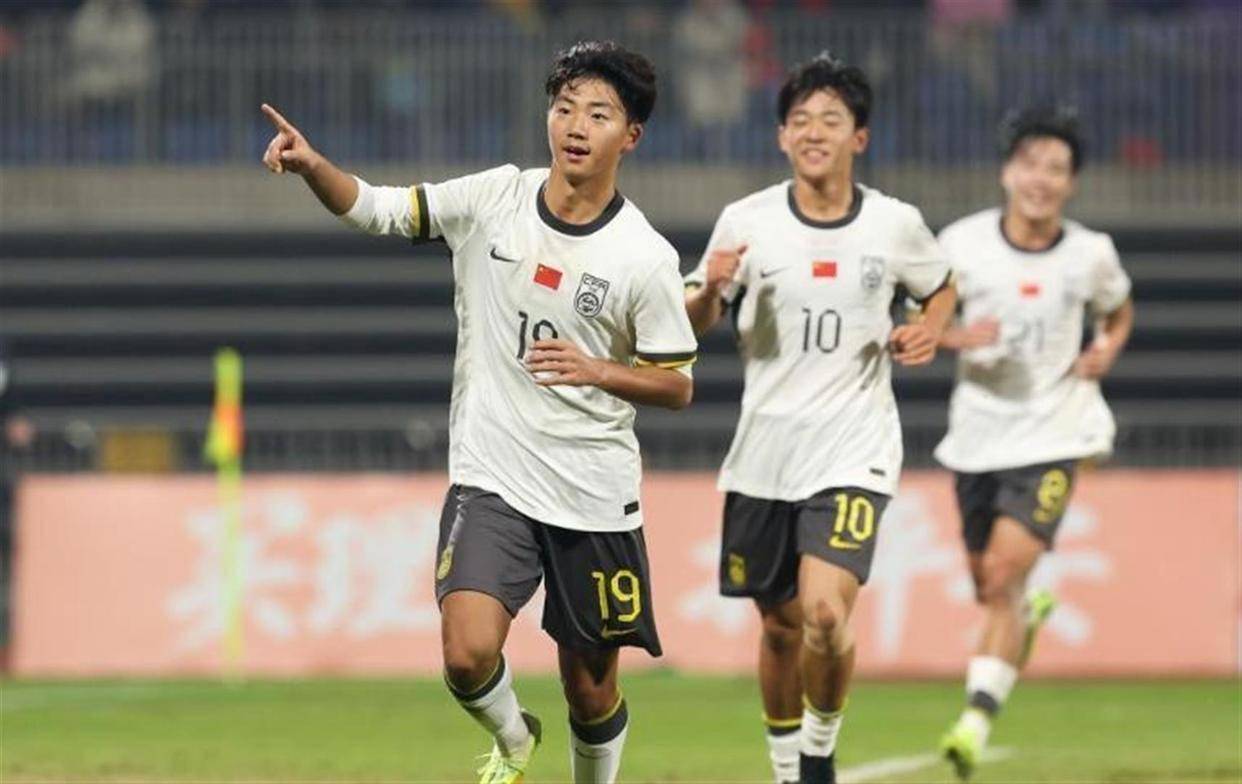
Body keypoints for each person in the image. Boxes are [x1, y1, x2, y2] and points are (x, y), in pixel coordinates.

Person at [260, 40, 697, 784]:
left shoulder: (643, 256)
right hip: (493, 476)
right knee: (466, 653)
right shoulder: (496, 197)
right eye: (564, 108)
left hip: (593, 494)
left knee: (590, 689)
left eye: (598, 114)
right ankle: (514, 737)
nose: (575, 126)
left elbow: (677, 384)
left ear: (631, 136)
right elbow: (381, 209)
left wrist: (596, 369)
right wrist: (313, 167)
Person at [683, 53, 957, 784]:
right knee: (780, 628)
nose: (813, 132)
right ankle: (787, 771)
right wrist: (709, 290)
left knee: (825, 615)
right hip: (764, 455)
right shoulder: (746, 221)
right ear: (781, 136)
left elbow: (940, 288)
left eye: (831, 120)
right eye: (800, 120)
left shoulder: (895, 225)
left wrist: (930, 329)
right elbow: (695, 320)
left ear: (858, 137)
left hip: (854, 449)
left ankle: (818, 757)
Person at [934, 106, 1134, 781]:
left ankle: (972, 725)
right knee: (989, 587)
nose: (1041, 180)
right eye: (1031, 164)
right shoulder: (961, 245)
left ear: (1071, 183)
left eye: (1056, 169)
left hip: (1055, 431)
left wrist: (1106, 347)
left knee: (1000, 578)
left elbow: (1119, 309)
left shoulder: (1090, 253)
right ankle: (1029, 612)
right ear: (1007, 171)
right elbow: (921, 319)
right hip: (977, 435)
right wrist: (957, 337)